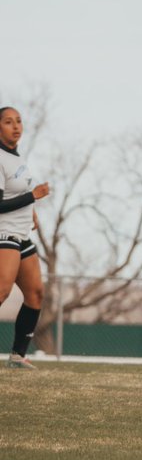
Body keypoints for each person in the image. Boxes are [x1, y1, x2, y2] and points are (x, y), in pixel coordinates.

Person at [0, 107, 49, 369]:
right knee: (2, 291)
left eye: (18, 121)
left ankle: (18, 356)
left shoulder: (16, 158)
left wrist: (31, 213)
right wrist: (34, 196)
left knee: (36, 294)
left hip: (21, 234)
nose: (16, 126)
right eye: (8, 122)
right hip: (3, 233)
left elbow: (15, 194)